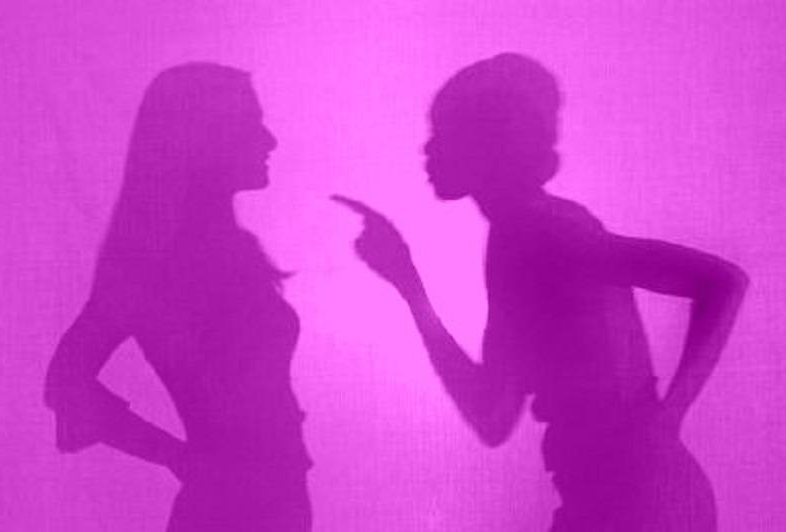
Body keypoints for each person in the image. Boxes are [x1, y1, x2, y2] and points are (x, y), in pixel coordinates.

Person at [334, 53, 748, 531]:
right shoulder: (516, 237)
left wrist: (667, 419)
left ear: (490, 142)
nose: (427, 149)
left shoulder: (544, 230)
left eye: (444, 132)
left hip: (635, 501)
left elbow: (721, 282)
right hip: (615, 496)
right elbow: (492, 413)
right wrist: (407, 282)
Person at [44, 63, 312, 531]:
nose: (268, 140)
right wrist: (177, 456)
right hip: (231, 512)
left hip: (275, 504)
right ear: (205, 136)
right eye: (250, 122)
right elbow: (66, 379)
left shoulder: (234, 252)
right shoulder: (154, 263)